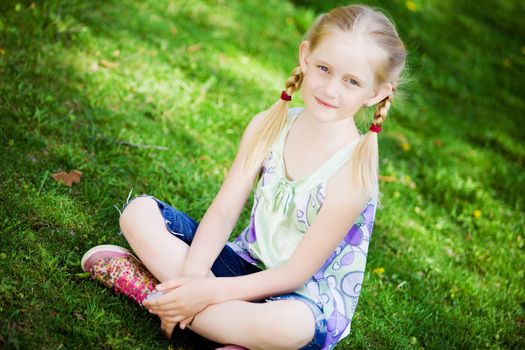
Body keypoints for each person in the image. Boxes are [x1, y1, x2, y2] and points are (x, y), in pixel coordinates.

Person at [81, 4, 406, 349]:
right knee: (139, 214)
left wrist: (204, 291)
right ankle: (211, 323)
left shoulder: (352, 175)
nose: (331, 90)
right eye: (324, 68)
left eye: (352, 81)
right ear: (306, 56)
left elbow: (293, 275)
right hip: (243, 267)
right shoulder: (269, 126)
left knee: (287, 329)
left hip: (303, 303)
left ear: (375, 93)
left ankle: (157, 296)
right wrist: (193, 280)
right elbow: (223, 211)